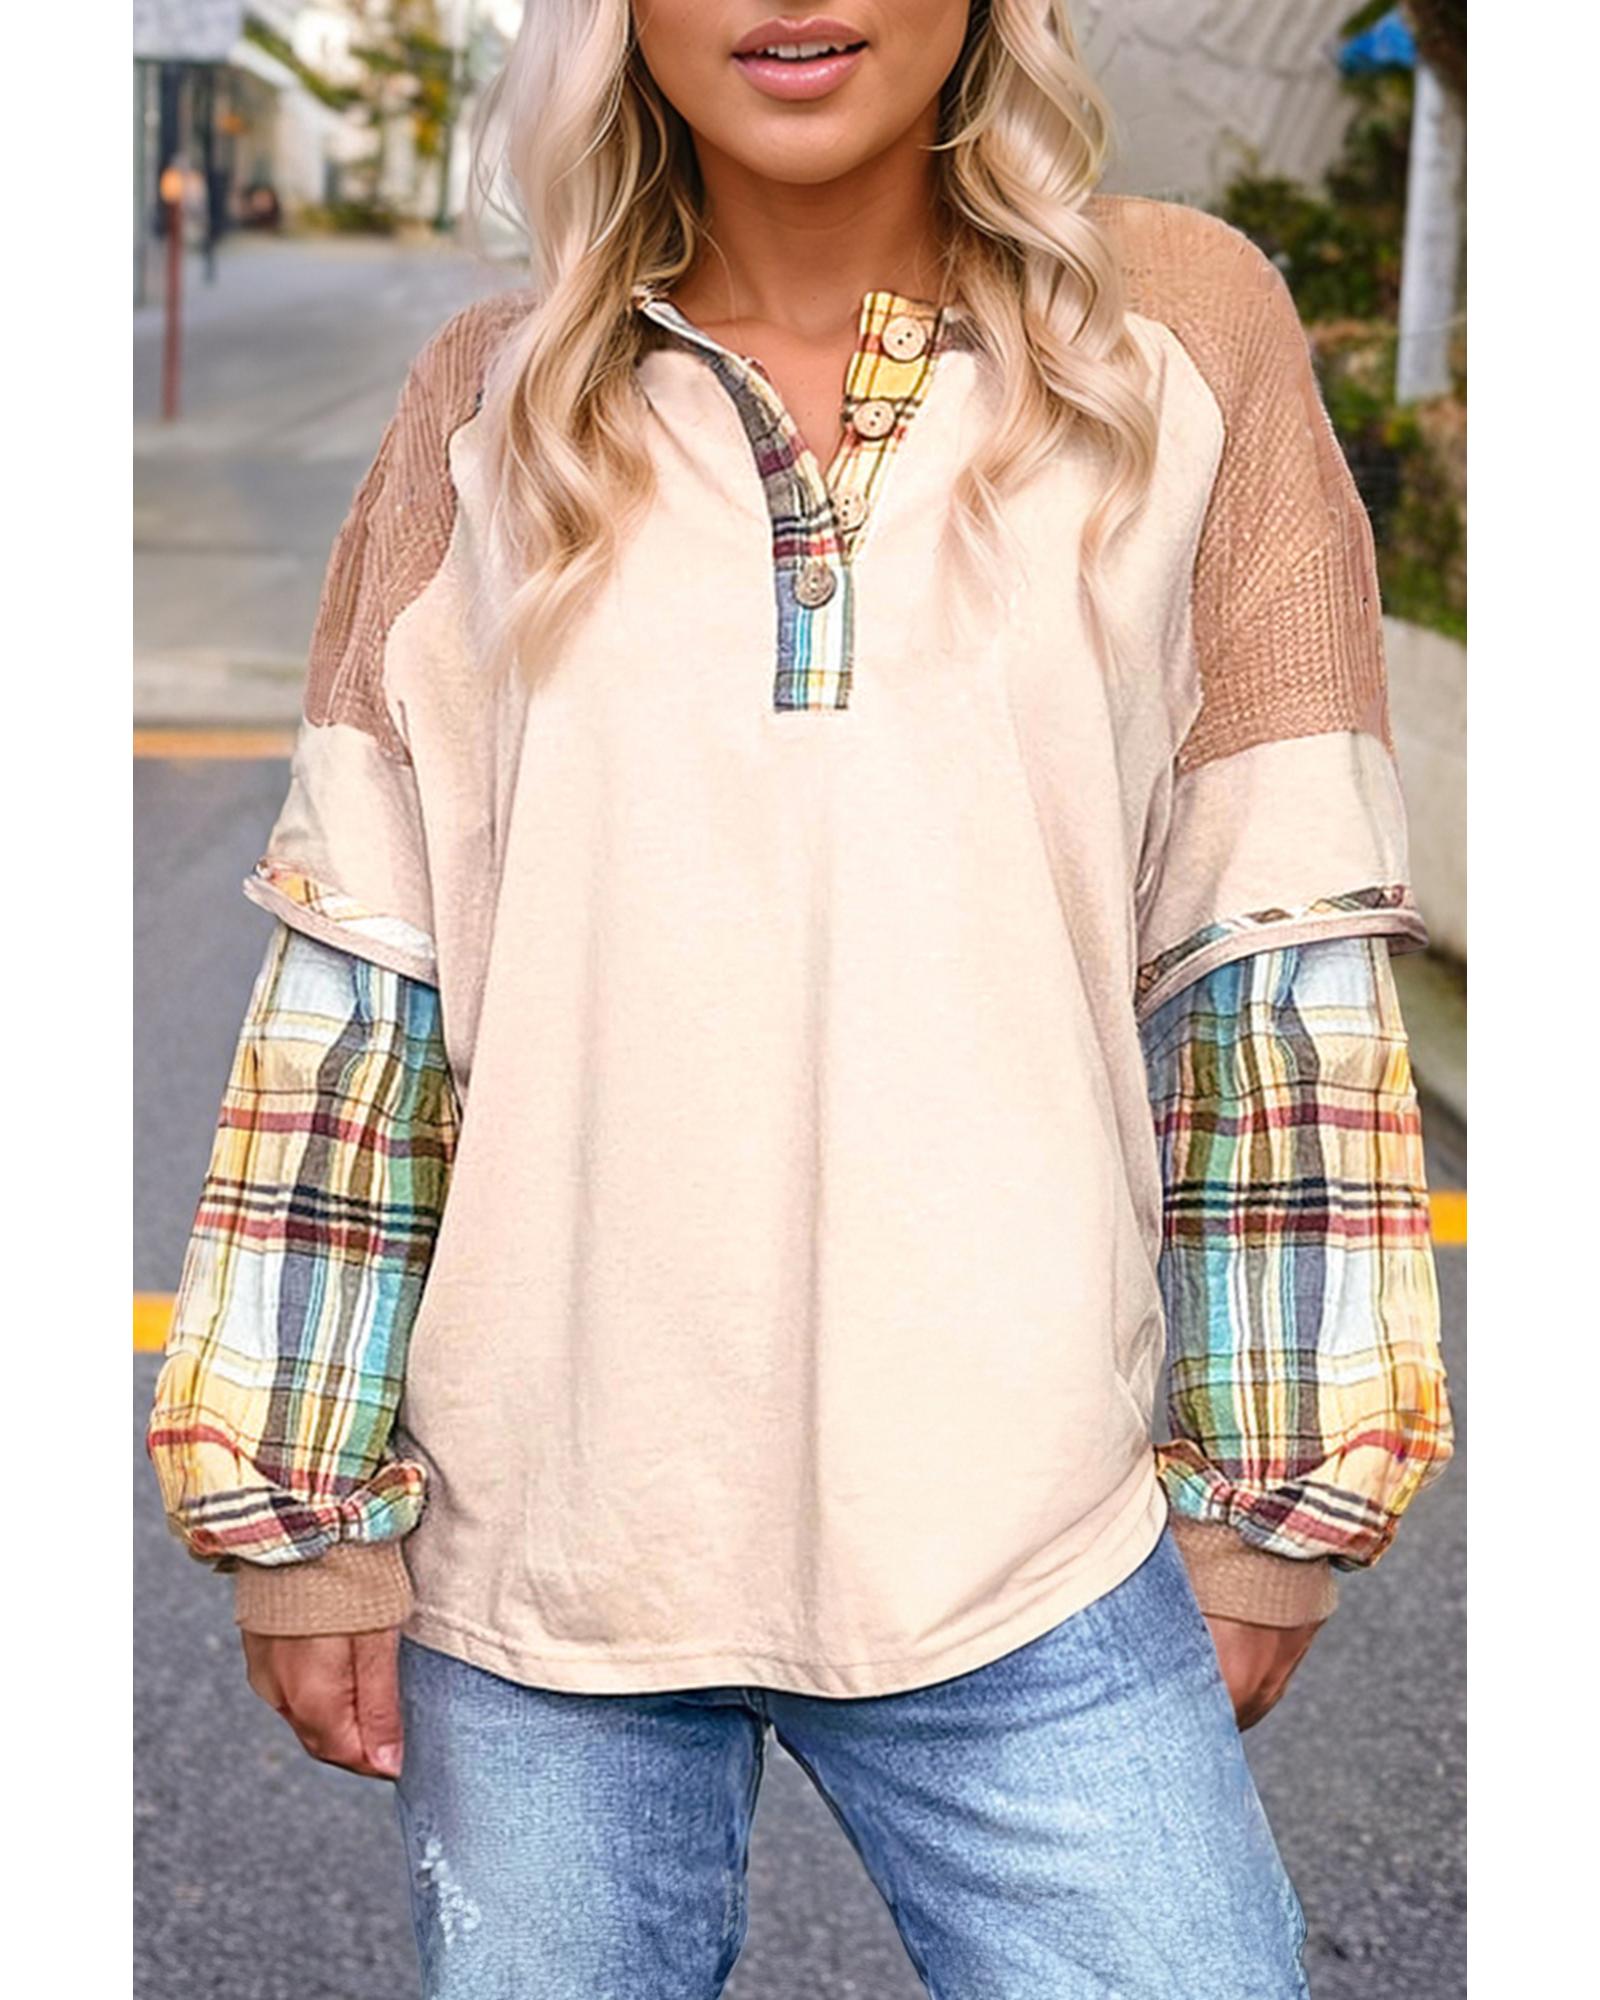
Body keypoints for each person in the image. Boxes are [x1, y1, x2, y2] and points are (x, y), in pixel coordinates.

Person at [145, 4, 1455, 1994]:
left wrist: (1283, 1494)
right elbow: (364, 975)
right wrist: (298, 1510)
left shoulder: (1177, 339)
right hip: (544, 1551)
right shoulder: (485, 403)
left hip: (1030, 1534)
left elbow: (1270, 931)